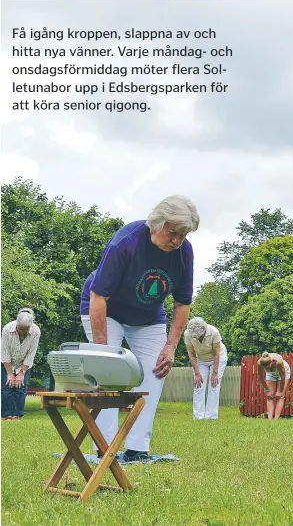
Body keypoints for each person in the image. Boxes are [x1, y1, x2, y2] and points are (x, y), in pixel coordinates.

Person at [79, 195, 199, 461]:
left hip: (148, 316)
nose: (177, 240)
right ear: (157, 223)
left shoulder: (184, 252)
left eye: (183, 234)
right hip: (104, 309)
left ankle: (137, 449)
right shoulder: (125, 243)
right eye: (173, 233)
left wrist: (170, 347)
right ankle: (105, 448)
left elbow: (183, 303)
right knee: (107, 373)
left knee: (156, 371)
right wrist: (102, 351)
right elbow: (99, 297)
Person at [184, 317, 228, 420]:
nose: (199, 339)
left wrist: (215, 373)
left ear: (204, 330)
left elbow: (216, 354)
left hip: (218, 357)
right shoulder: (187, 334)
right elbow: (192, 355)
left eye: (201, 337)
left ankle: (211, 416)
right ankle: (198, 416)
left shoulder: (214, 332)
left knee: (214, 385)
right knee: (198, 385)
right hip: (201, 359)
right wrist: (197, 374)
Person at [1, 308, 41, 420]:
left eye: (25, 329)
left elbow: (31, 353)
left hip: (24, 363)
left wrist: (21, 372)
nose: (22, 332)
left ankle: (17, 415)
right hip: (6, 362)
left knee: (21, 387)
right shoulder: (7, 329)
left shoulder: (36, 331)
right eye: (20, 329)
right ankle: (7, 414)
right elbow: (5, 352)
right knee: (7, 386)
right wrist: (9, 372)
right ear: (16, 323)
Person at [257, 352, 291, 419]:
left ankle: (276, 420)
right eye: (265, 369)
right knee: (270, 396)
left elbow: (283, 377)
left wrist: (280, 391)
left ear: (272, 362)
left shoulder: (279, 362)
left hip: (283, 373)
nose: (267, 370)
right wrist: (267, 390)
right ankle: (270, 421)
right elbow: (260, 377)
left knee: (280, 396)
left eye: (268, 368)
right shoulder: (260, 363)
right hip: (271, 375)